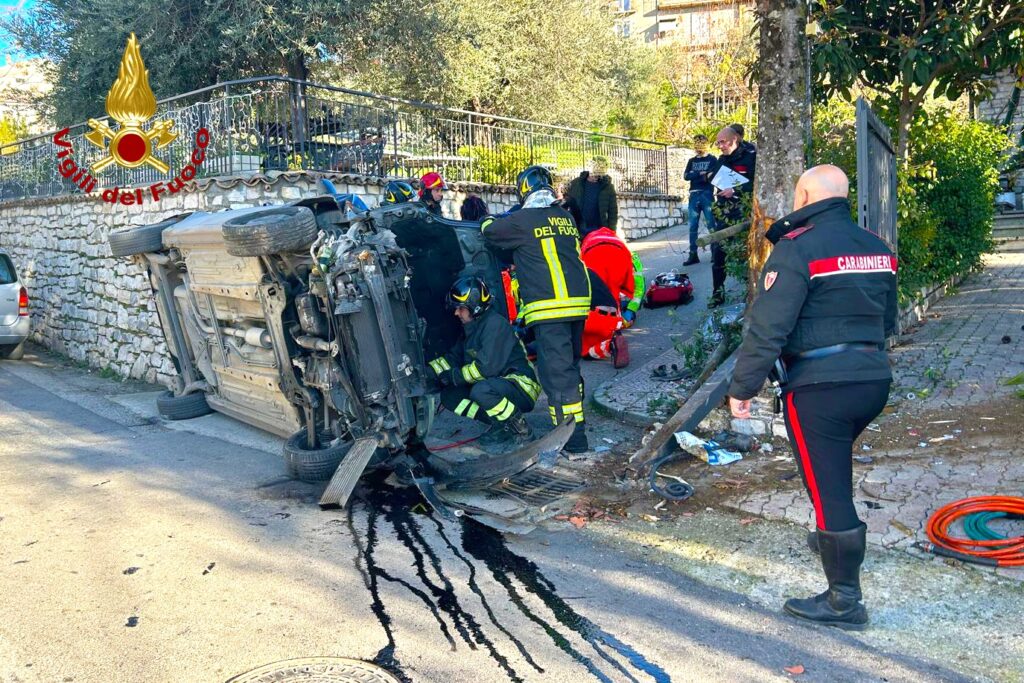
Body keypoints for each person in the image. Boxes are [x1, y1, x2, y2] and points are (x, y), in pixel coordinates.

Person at [727, 165, 898, 632]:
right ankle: (831, 537)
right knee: (829, 473)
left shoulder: (796, 249)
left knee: (829, 487)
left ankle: (844, 599)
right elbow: (888, 322)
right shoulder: (877, 249)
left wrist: (743, 389)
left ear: (804, 195)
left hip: (820, 387)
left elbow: (768, 328)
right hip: (872, 380)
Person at [481, 166, 592, 453]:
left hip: (549, 308)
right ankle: (570, 426)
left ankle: (572, 441)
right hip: (578, 305)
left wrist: (493, 217)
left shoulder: (521, 220)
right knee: (569, 368)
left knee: (558, 375)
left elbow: (489, 231)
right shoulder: (565, 217)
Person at [427, 276, 540, 447]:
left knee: (481, 391)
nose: (456, 313)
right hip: (497, 384)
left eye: (460, 309)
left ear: (474, 306)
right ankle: (501, 425)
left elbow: (485, 369)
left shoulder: (494, 325)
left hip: (522, 385)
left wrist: (454, 376)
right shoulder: (471, 329)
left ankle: (522, 430)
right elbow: (453, 358)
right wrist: (427, 372)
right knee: (450, 396)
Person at [710, 126, 756, 306]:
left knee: (746, 254)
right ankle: (717, 294)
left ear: (735, 139)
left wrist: (735, 190)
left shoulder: (752, 156)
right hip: (724, 213)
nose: (720, 146)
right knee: (718, 253)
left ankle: (749, 292)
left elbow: (756, 183)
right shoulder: (722, 160)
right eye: (718, 142)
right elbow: (716, 180)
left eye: (723, 142)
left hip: (744, 212)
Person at [683, 134, 718, 266]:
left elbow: (712, 175)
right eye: (696, 143)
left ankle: (715, 253)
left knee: (711, 224)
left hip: (707, 193)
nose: (698, 146)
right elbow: (686, 176)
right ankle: (693, 254)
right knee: (693, 226)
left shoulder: (712, 159)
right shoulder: (692, 161)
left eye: (700, 143)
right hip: (693, 194)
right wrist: (700, 173)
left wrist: (698, 175)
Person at [566, 157, 618, 234]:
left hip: (599, 230)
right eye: (598, 166)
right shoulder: (576, 183)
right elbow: (567, 204)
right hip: (578, 228)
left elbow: (613, 212)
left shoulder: (608, 187)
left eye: (602, 167)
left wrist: (611, 231)